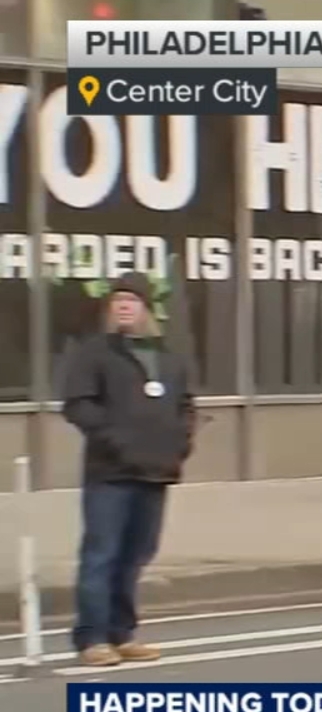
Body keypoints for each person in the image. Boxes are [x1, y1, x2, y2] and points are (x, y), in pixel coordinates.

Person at [59, 272, 196, 667]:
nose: (123, 306)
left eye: (131, 300)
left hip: (155, 471)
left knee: (136, 554)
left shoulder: (168, 358)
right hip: (110, 472)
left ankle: (122, 633)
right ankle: (92, 638)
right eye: (117, 300)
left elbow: (185, 405)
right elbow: (78, 405)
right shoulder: (95, 353)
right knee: (101, 554)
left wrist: (180, 443)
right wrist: (116, 439)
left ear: (147, 308)